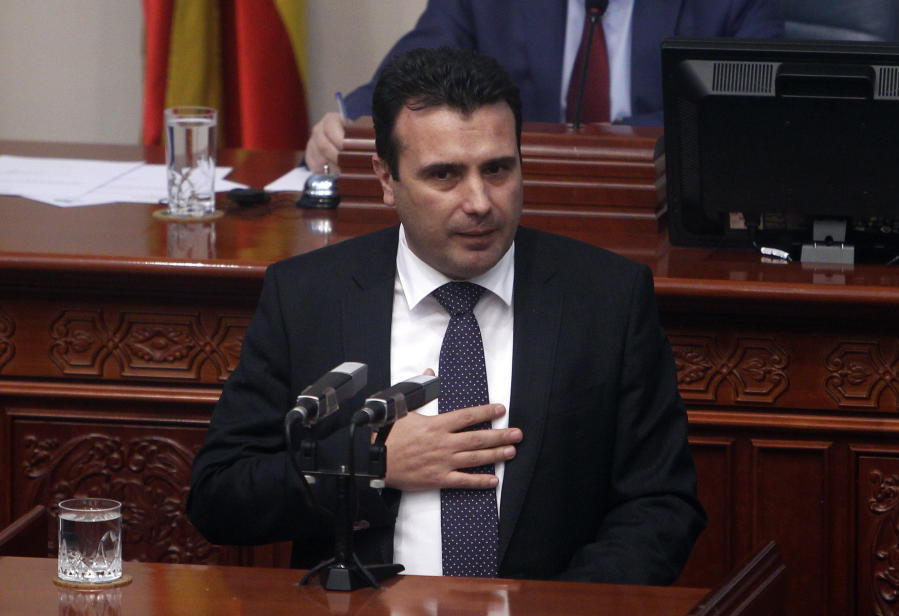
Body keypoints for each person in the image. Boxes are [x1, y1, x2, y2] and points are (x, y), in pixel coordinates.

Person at [189, 45, 705, 584]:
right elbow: (220, 496)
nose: (480, 201)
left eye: (498, 169)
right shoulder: (307, 297)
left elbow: (662, 506)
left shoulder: (607, 299)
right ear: (386, 179)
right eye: (444, 176)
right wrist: (372, 465)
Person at [305, 0, 783, 172]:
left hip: (662, 224)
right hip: (518, 216)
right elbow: (425, 57)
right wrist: (356, 122)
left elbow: (750, 116)